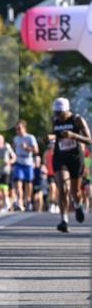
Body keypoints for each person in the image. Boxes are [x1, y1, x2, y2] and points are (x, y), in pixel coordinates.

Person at [51, 96, 91, 233]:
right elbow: (54, 135)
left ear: (67, 110)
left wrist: (73, 135)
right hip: (60, 157)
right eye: (56, 113)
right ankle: (64, 220)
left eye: (60, 113)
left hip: (75, 158)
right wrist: (49, 137)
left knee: (75, 191)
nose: (58, 116)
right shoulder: (55, 120)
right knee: (63, 186)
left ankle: (78, 205)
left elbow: (89, 140)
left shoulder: (77, 120)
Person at [11, 119, 38, 211]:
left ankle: (28, 200)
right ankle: (20, 202)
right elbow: (13, 148)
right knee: (18, 183)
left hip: (28, 162)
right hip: (18, 162)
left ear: (24, 128)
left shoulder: (30, 137)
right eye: (16, 129)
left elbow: (36, 150)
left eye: (19, 128)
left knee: (28, 184)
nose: (18, 131)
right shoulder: (15, 138)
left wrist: (27, 148)